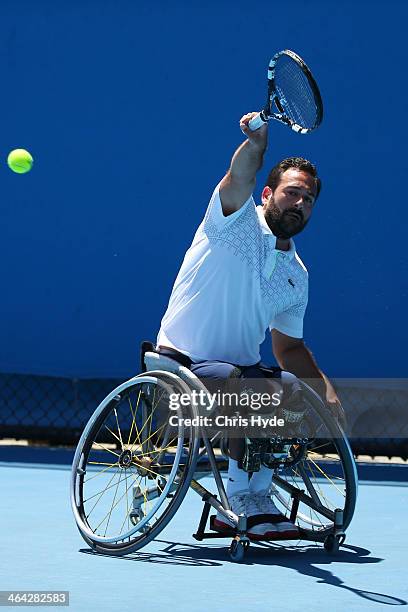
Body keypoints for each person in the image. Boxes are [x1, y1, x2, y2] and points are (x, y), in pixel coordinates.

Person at [156, 112, 343, 540]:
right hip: (179, 366)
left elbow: (290, 349)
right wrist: (257, 145)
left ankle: (257, 497)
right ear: (266, 194)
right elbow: (237, 175)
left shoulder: (297, 272)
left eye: (309, 199)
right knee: (254, 390)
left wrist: (324, 388)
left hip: (238, 375)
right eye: (292, 192)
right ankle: (238, 498)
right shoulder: (232, 221)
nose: (300, 203)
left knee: (293, 389)